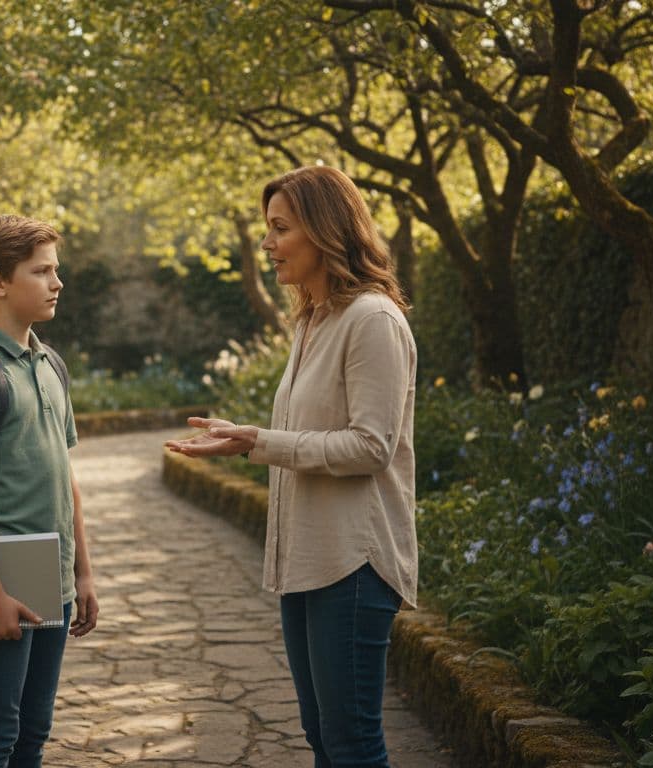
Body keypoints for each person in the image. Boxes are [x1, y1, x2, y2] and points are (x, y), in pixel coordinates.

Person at [166, 166, 417, 767]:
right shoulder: (312, 321)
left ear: (325, 231)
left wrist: (261, 441)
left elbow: (370, 447)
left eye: (280, 228)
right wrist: (248, 438)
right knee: (322, 737)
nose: (268, 244)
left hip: (353, 565)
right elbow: (310, 430)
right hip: (305, 563)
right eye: (267, 229)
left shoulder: (372, 320)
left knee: (353, 745)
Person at [0, 214, 98, 767]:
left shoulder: (50, 363)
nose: (57, 283)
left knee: (33, 732)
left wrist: (82, 572)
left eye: (57, 270)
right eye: (42, 271)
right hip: (1, 579)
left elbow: (64, 474)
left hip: (51, 580)